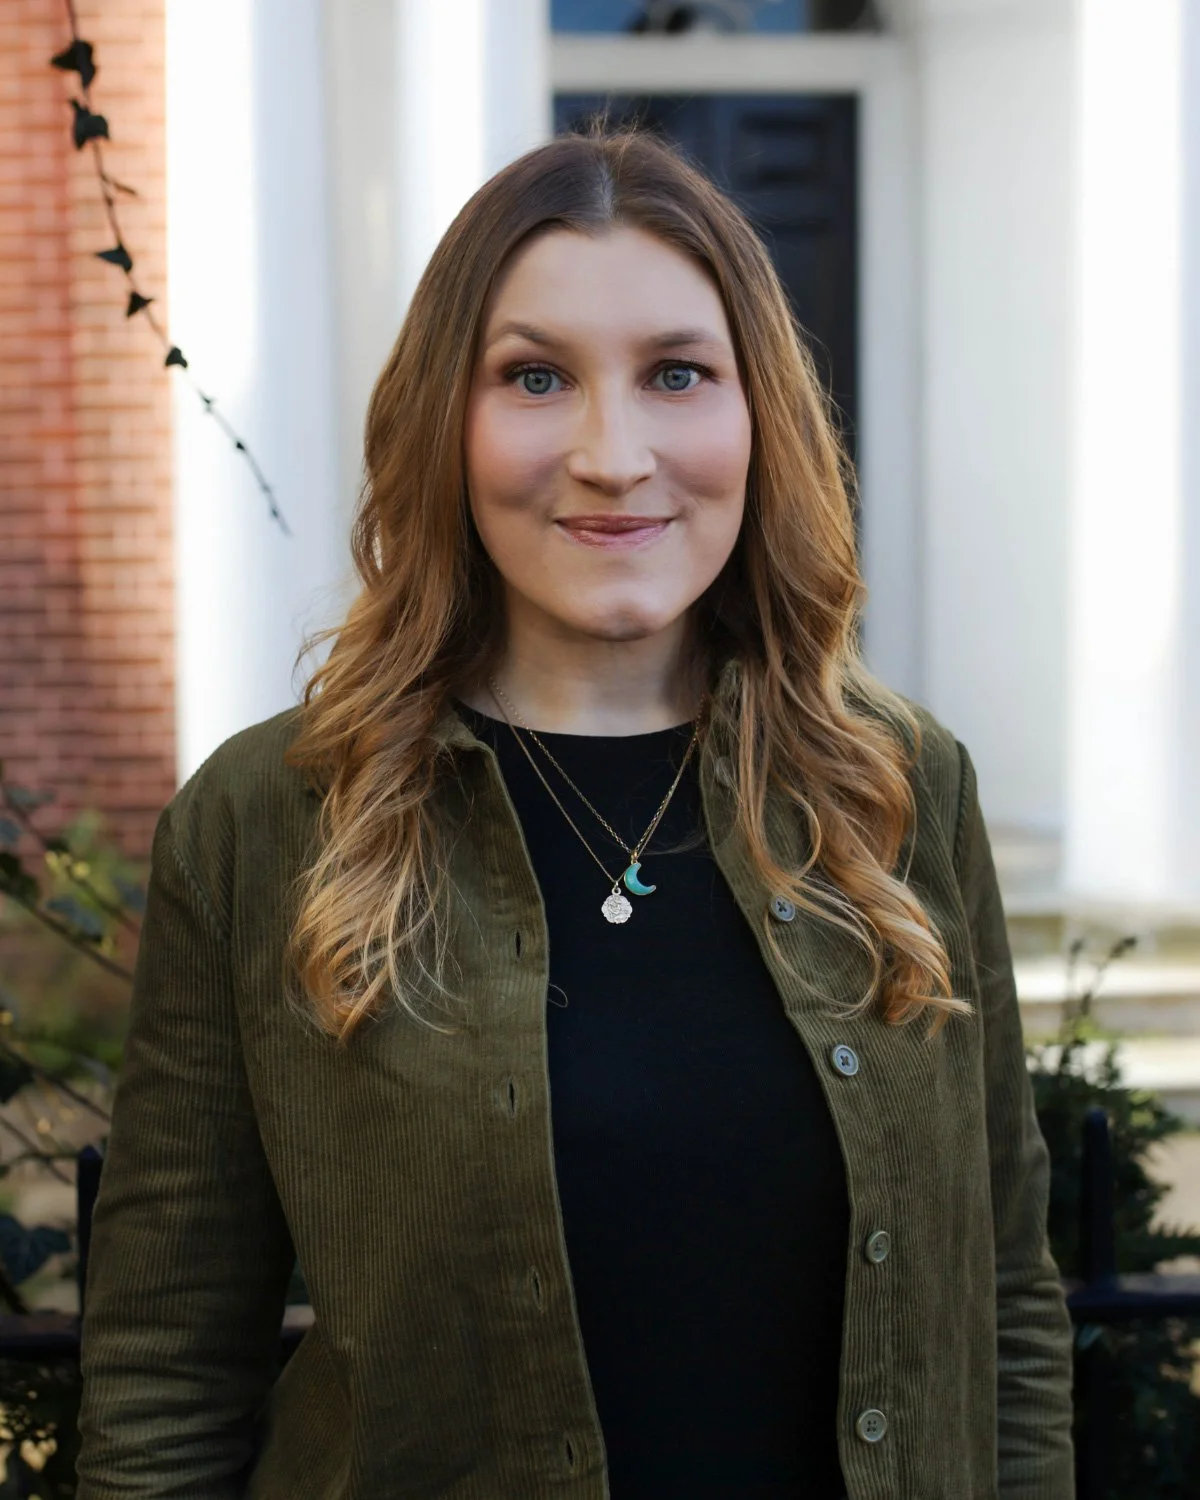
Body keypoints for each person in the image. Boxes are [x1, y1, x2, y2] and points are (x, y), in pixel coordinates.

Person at [75, 126, 1075, 1499]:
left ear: (756, 414)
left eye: (677, 373)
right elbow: (165, 1377)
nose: (615, 455)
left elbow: (1005, 1303)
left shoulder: (897, 790)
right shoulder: (270, 823)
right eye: (535, 376)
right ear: (447, 418)